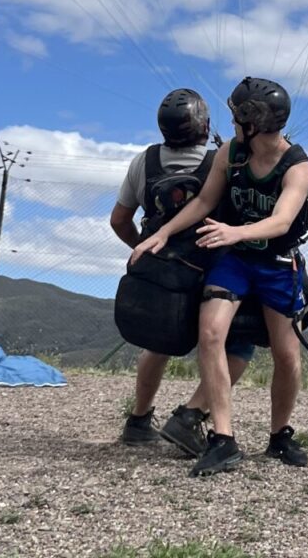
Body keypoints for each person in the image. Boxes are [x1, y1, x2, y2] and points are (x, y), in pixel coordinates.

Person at [131, 76, 308, 476]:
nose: (231, 126)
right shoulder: (230, 152)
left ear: (253, 122)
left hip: (276, 264)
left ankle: (280, 435)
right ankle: (223, 439)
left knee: (286, 354)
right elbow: (205, 200)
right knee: (210, 333)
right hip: (235, 259)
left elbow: (282, 221)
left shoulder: (297, 165)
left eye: (236, 119)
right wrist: (163, 232)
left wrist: (237, 232)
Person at [110, 87, 256, 456]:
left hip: (163, 274)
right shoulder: (221, 160)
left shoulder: (144, 162)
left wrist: (147, 251)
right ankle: (191, 416)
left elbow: (119, 220)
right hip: (212, 268)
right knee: (237, 343)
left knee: (157, 342)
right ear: (205, 126)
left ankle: (139, 420)